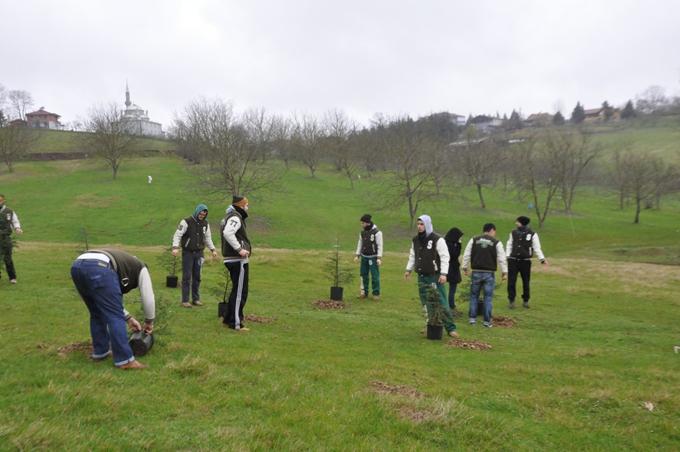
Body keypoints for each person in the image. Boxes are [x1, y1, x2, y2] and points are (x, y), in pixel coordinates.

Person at [70, 248, 155, 369]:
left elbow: (108, 302)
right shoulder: (142, 268)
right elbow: (148, 297)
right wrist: (149, 322)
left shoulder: (125, 263)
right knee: (115, 317)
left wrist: (129, 318)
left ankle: (101, 352)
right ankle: (125, 360)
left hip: (78, 266)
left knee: (96, 313)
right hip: (100, 267)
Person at [404, 215, 458, 337]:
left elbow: (445, 257)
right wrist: (408, 269)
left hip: (434, 276)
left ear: (427, 224)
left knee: (441, 301)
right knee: (425, 301)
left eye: (422, 224)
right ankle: (430, 324)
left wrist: (444, 273)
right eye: (418, 224)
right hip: (421, 276)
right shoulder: (415, 240)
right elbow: (413, 255)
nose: (419, 226)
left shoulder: (438, 240)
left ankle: (451, 328)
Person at [462, 223, 508, 328]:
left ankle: (472, 319)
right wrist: (504, 272)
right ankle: (487, 322)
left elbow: (467, 254)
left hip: (476, 272)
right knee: (488, 297)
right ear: (492, 230)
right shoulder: (496, 242)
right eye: (495, 232)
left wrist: (464, 267)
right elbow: (502, 258)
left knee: (474, 296)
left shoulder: (473, 240)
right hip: (489, 273)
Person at [172, 203, 218, 308]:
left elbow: (207, 238)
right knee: (187, 277)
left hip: (199, 254)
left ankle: (196, 299)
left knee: (197, 277)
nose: (202, 216)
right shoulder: (186, 222)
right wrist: (175, 247)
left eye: (204, 214)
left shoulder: (206, 224)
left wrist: (213, 249)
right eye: (200, 214)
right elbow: (177, 235)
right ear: (197, 212)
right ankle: (185, 300)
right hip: (188, 253)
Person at [220, 196, 252, 331]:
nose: (248, 207)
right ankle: (236, 323)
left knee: (236, 290)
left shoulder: (230, 216)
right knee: (240, 292)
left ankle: (228, 318)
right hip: (237, 260)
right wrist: (239, 249)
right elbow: (228, 233)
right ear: (241, 205)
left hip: (232, 259)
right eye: (246, 205)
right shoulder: (235, 217)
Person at [506, 216, 547, 309]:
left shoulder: (532, 234)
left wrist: (542, 259)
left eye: (517, 222)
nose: (516, 223)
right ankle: (511, 300)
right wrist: (508, 256)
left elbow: (537, 248)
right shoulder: (513, 233)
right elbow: (509, 244)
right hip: (513, 260)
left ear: (522, 223)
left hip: (525, 261)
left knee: (526, 281)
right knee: (511, 281)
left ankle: (526, 300)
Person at [354, 214, 383, 300]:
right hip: (364, 256)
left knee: (374, 276)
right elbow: (360, 244)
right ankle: (364, 292)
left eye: (363, 223)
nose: (361, 225)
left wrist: (379, 257)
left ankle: (376, 293)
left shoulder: (377, 233)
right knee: (363, 275)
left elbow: (380, 245)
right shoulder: (362, 233)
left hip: (373, 257)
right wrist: (357, 255)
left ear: (367, 223)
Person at [0, 194, 23, 284]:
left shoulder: (9, 211)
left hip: (5, 238)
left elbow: (15, 221)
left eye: (0, 200)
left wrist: (17, 228)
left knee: (7, 258)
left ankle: (12, 277)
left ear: (3, 201)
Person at [444, 227, 464, 311]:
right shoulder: (452, 244)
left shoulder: (445, 242)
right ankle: (451, 304)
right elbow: (455, 255)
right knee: (452, 288)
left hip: (446, 267)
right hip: (452, 268)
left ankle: (447, 303)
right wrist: (459, 245)